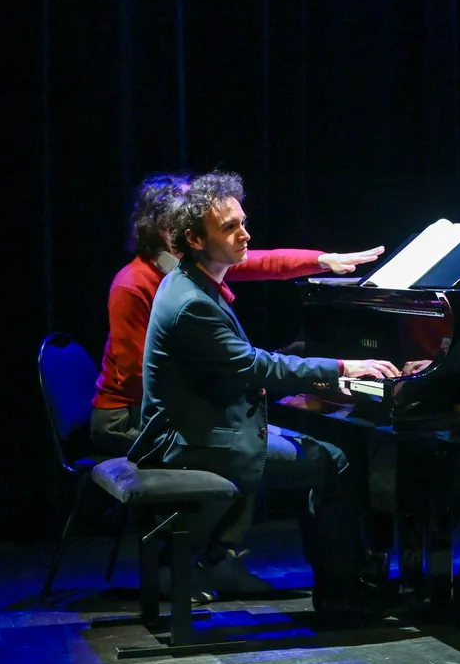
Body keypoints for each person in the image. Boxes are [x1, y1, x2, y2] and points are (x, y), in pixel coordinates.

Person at [128, 170, 401, 615]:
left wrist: (324, 262)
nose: (245, 234)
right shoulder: (191, 301)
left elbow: (264, 275)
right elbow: (257, 365)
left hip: (207, 425)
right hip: (196, 441)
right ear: (195, 239)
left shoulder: (193, 279)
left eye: (243, 221)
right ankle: (342, 594)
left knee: (328, 448)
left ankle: (342, 582)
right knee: (335, 459)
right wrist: (343, 368)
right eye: (230, 227)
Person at [90, 173, 384, 456]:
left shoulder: (200, 264)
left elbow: (267, 261)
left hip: (180, 406)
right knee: (276, 448)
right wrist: (231, 401)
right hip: (129, 418)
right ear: (170, 229)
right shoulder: (134, 285)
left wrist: (323, 260)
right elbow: (136, 380)